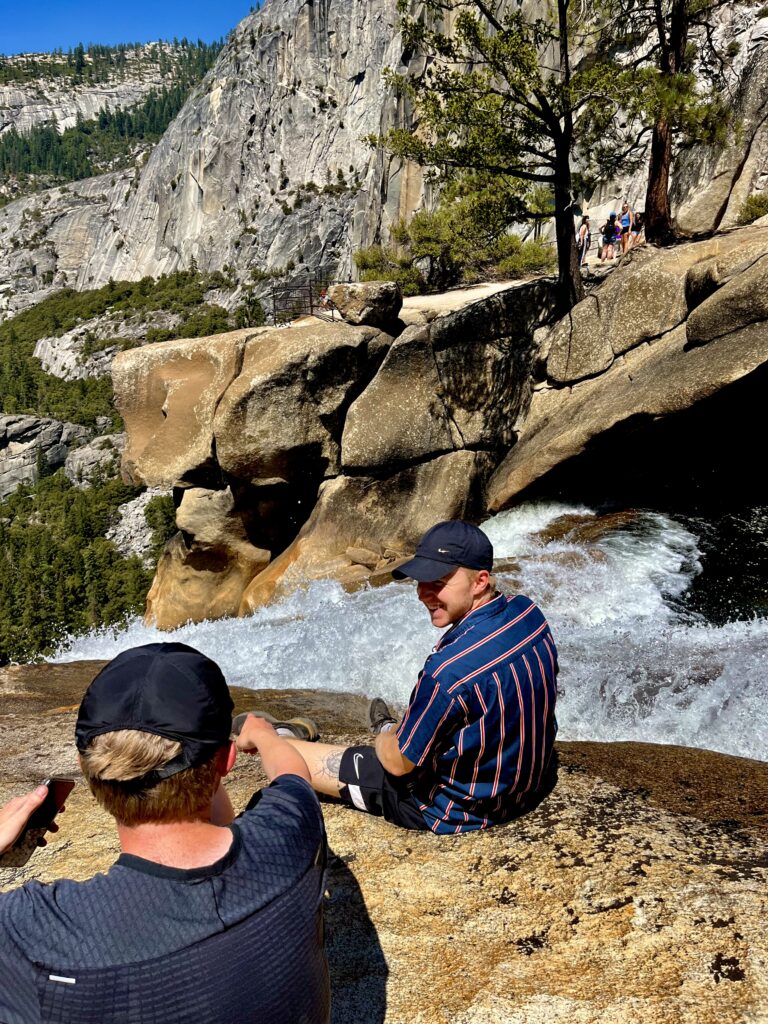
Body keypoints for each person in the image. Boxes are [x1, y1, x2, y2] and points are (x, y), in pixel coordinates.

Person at [0, 643, 330, 1024]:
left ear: (87, 771)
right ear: (227, 760)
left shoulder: (31, 930)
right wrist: (265, 735)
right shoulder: (291, 830)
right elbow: (292, 774)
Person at [273, 520, 558, 836]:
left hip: (453, 810)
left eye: (438, 581)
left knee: (331, 761)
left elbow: (398, 764)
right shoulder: (529, 614)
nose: (423, 593)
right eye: (420, 580)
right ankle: (395, 727)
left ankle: (274, 736)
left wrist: (385, 740)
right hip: (527, 787)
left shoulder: (448, 671)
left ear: (480, 581)